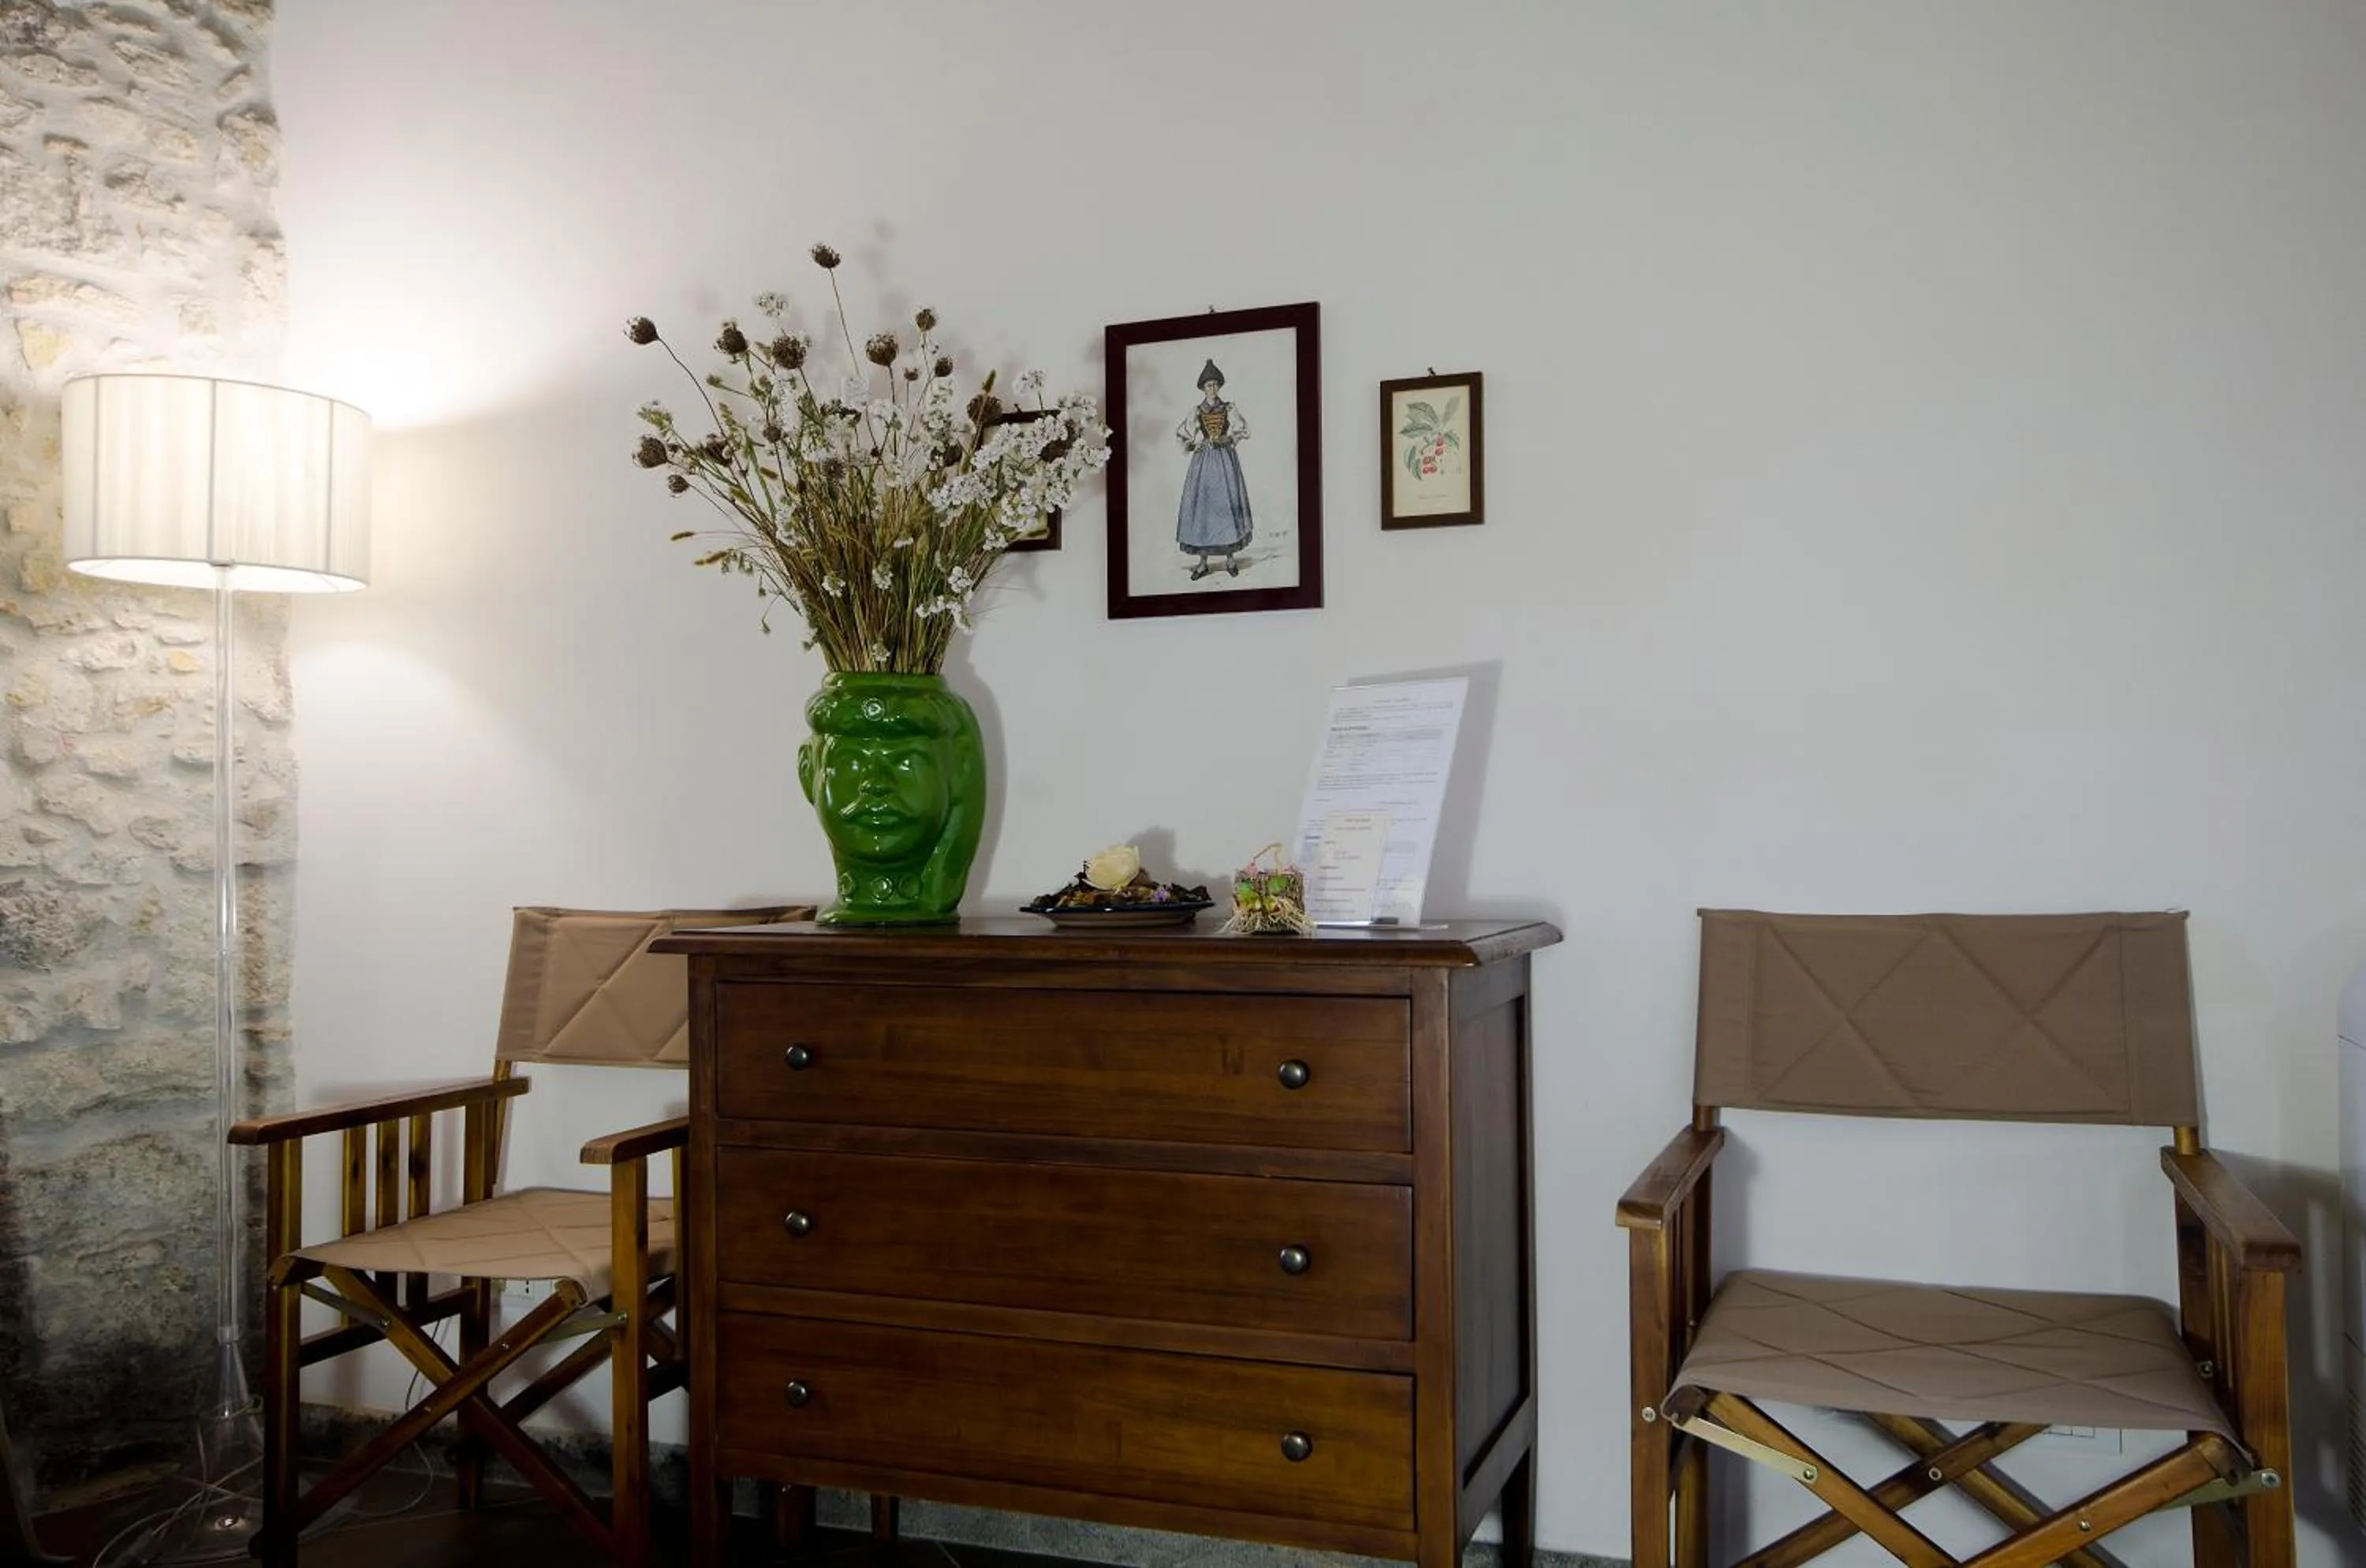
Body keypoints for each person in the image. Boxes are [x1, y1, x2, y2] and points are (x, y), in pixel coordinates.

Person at [1174, 359, 1252, 579]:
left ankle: (1230, 560)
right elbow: (1182, 434)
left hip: (1226, 461)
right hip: (1204, 464)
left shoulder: (1229, 408)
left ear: (1219, 386)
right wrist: (1194, 445)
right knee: (1204, 507)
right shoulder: (1197, 411)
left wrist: (1228, 439)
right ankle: (1202, 563)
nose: (1213, 388)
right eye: (1209, 385)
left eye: (1216, 384)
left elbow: (1243, 429)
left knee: (1227, 505)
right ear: (1203, 388)